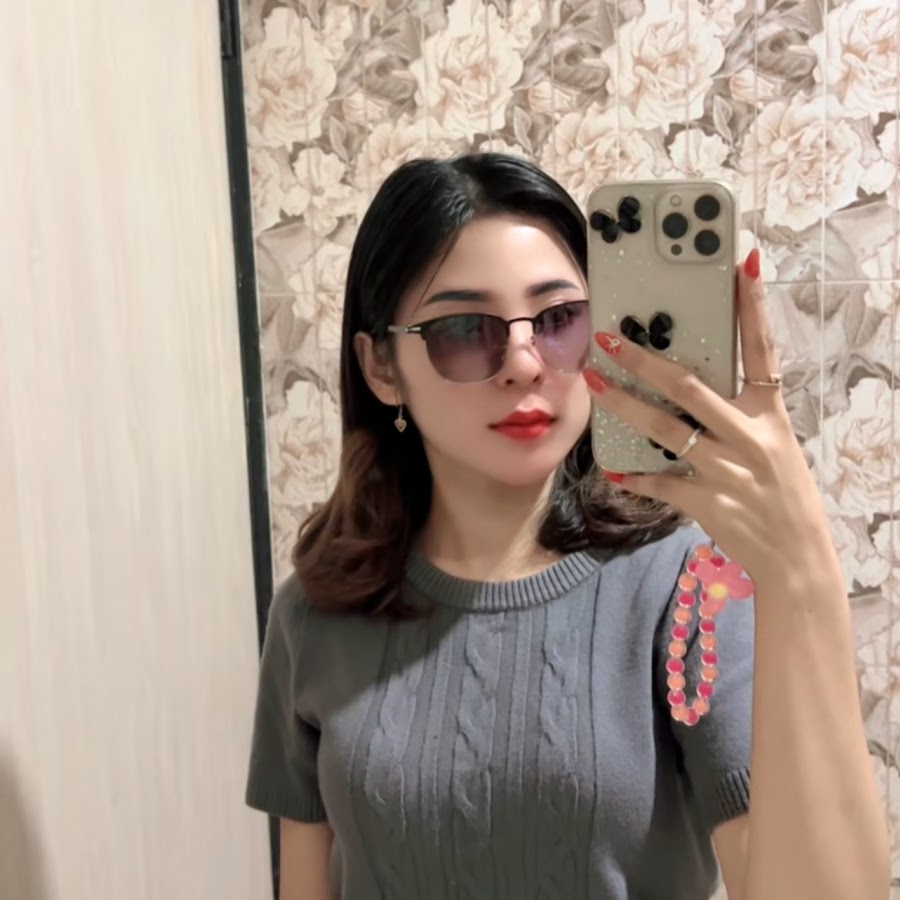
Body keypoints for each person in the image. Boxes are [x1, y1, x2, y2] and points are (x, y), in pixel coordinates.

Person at [245, 154, 888, 900]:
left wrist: (801, 575)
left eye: (558, 321)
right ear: (382, 367)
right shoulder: (315, 613)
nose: (523, 363)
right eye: (463, 328)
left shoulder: (687, 590)